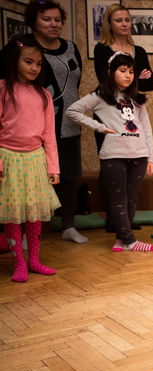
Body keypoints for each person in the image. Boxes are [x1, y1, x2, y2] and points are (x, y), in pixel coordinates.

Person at [3, 1, 86, 243]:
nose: (53, 24)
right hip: (32, 126)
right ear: (34, 22)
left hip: (67, 121)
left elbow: (75, 82)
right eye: (46, 19)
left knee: (68, 175)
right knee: (29, 181)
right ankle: (23, 233)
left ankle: (68, 225)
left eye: (57, 20)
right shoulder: (23, 46)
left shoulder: (71, 47)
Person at [66, 52, 153, 252]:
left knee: (131, 200)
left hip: (139, 154)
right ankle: (130, 241)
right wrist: (98, 126)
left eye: (131, 72)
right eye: (122, 71)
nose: (128, 75)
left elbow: (146, 128)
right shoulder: (100, 96)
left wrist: (152, 157)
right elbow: (72, 111)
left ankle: (120, 240)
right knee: (118, 199)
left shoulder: (136, 98)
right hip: (114, 155)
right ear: (111, 72)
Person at [0, 35, 61, 282]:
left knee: (34, 214)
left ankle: (34, 259)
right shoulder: (3, 89)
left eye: (38, 63)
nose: (34, 68)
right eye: (28, 62)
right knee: (14, 214)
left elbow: (49, 134)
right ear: (15, 61)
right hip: (9, 160)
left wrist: (53, 166)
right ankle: (19, 263)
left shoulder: (44, 95)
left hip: (35, 160)